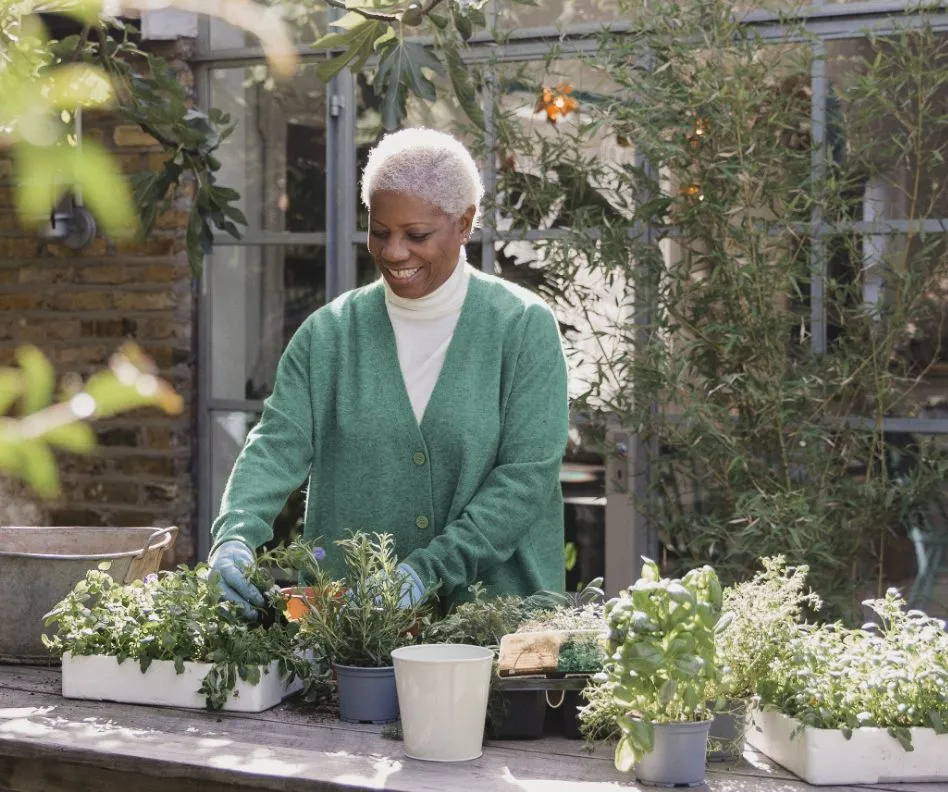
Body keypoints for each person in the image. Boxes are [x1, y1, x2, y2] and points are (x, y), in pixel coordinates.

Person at [208, 127, 569, 618]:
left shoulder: (521, 327)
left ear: (465, 224)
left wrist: (426, 571)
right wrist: (235, 535)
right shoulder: (329, 335)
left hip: (494, 630)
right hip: (352, 635)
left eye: (416, 235)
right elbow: (275, 445)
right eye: (380, 232)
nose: (394, 252)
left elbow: (526, 478)